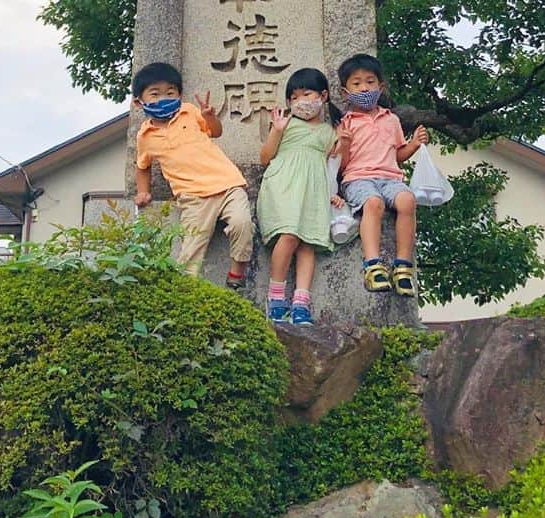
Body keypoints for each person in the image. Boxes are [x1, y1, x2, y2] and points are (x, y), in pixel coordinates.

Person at [132, 61, 252, 288]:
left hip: (227, 183)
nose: (163, 98)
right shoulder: (145, 136)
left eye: (171, 92)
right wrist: (143, 192)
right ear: (139, 101)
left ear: (179, 94)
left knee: (242, 223)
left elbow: (215, 131)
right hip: (192, 196)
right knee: (191, 249)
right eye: (155, 94)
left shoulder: (189, 112)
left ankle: (237, 273)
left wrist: (209, 116)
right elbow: (142, 166)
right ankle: (184, 294)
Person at [336, 53, 428, 296]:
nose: (364, 88)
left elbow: (397, 155)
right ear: (345, 92)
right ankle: (373, 264)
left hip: (390, 177)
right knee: (373, 204)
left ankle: (403, 266)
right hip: (357, 177)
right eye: (356, 84)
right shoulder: (346, 123)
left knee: (408, 200)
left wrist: (414, 145)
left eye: (369, 81)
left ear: (381, 86)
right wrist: (343, 144)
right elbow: (342, 166)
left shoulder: (392, 120)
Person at [257, 67, 344, 325]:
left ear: (323, 96)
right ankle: (275, 298)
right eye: (294, 97)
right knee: (289, 236)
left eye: (307, 94)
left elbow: (336, 165)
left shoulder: (330, 132)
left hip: (314, 190)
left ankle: (301, 303)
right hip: (284, 186)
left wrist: (333, 193)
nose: (300, 102)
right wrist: (276, 130)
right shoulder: (286, 124)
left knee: (308, 243)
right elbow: (265, 158)